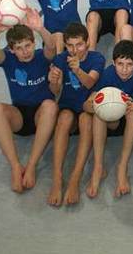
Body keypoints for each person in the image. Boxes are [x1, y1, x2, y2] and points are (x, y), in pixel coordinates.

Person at [0, 8, 58, 193]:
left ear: (34, 43)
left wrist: (40, 29)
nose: (25, 52)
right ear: (11, 50)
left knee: (50, 106)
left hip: (41, 116)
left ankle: (32, 165)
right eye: (18, 48)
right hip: (19, 115)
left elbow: (51, 46)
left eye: (27, 45)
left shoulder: (42, 56)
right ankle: (16, 166)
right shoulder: (8, 60)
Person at [46, 23, 105, 206]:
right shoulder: (60, 59)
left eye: (79, 44)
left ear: (87, 43)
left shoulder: (97, 59)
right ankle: (57, 178)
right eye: (70, 45)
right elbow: (55, 91)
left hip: (87, 108)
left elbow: (90, 83)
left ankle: (75, 178)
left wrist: (78, 69)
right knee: (64, 119)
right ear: (64, 45)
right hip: (68, 106)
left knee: (85, 120)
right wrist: (53, 81)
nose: (74, 50)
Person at [84, 40, 133, 199]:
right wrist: (94, 106)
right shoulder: (108, 74)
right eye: (120, 64)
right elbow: (87, 104)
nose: (124, 69)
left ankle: (122, 167)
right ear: (114, 63)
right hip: (112, 123)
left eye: (129, 64)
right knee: (99, 112)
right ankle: (98, 167)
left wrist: (131, 105)